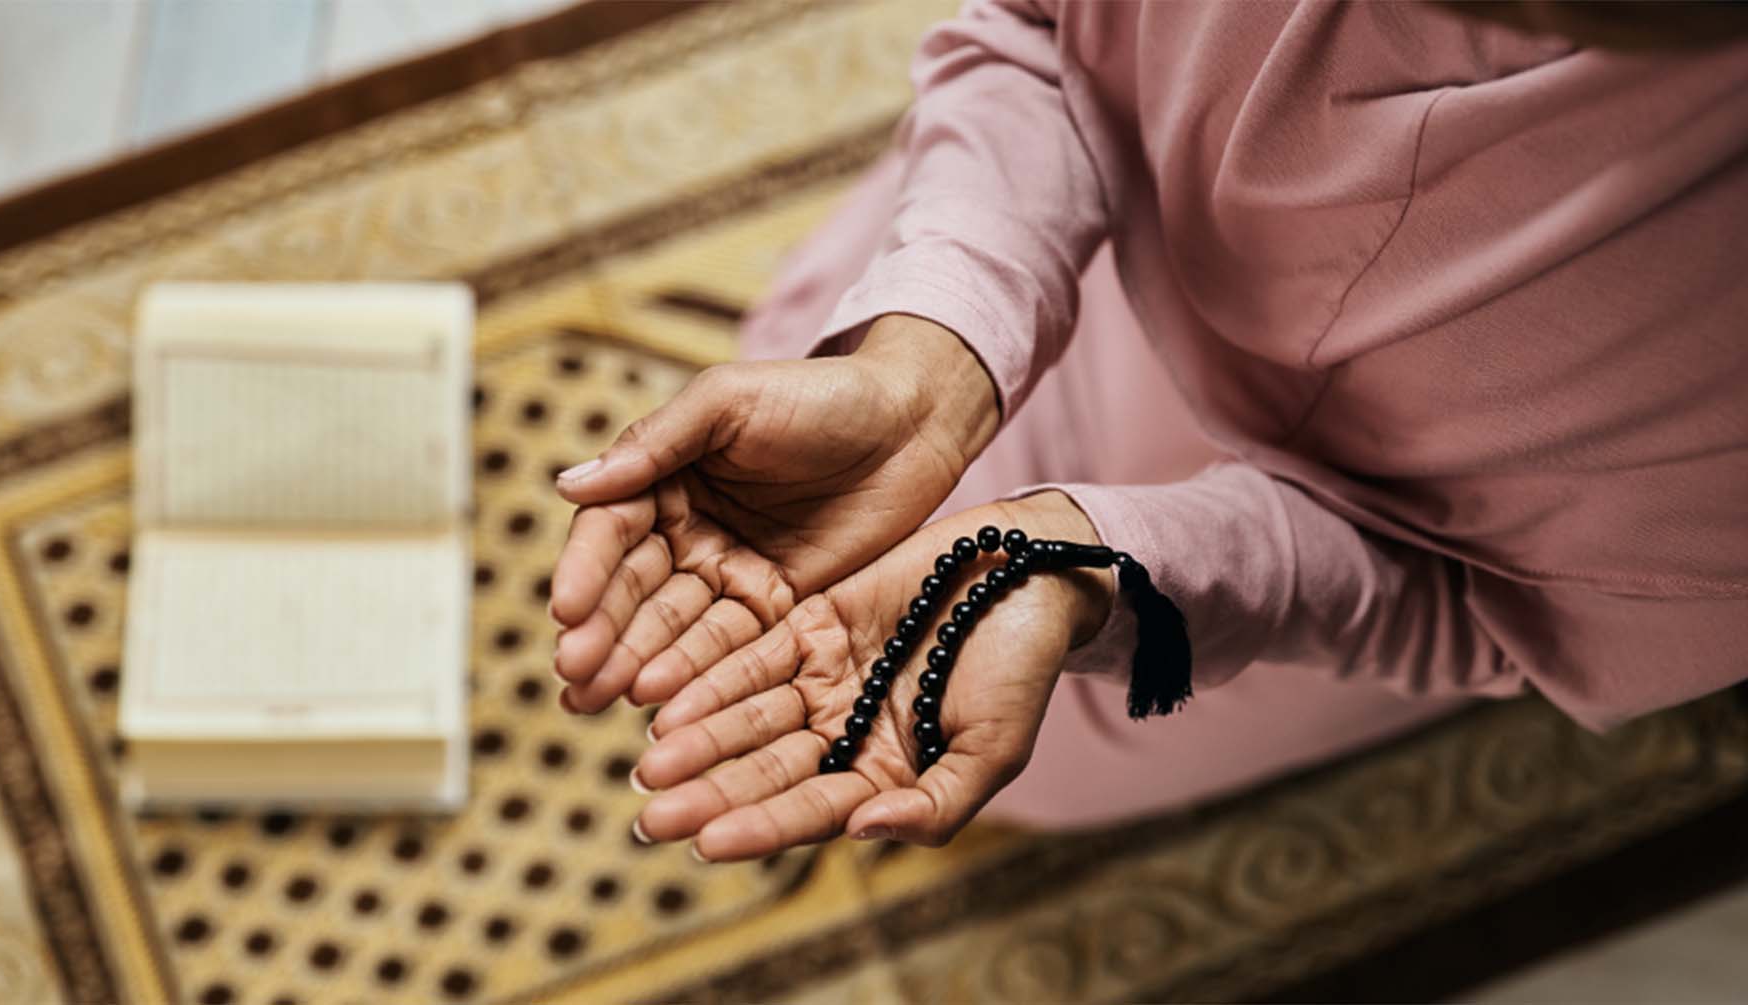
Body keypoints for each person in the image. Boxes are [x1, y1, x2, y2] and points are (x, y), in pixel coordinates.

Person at [546, 0, 1748, 861]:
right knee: (805, 325)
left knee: (1022, 750)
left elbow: (1478, 601)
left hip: (1382, 539)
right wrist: (941, 339)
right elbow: (1038, 34)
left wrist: (1100, 567)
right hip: (1111, 231)